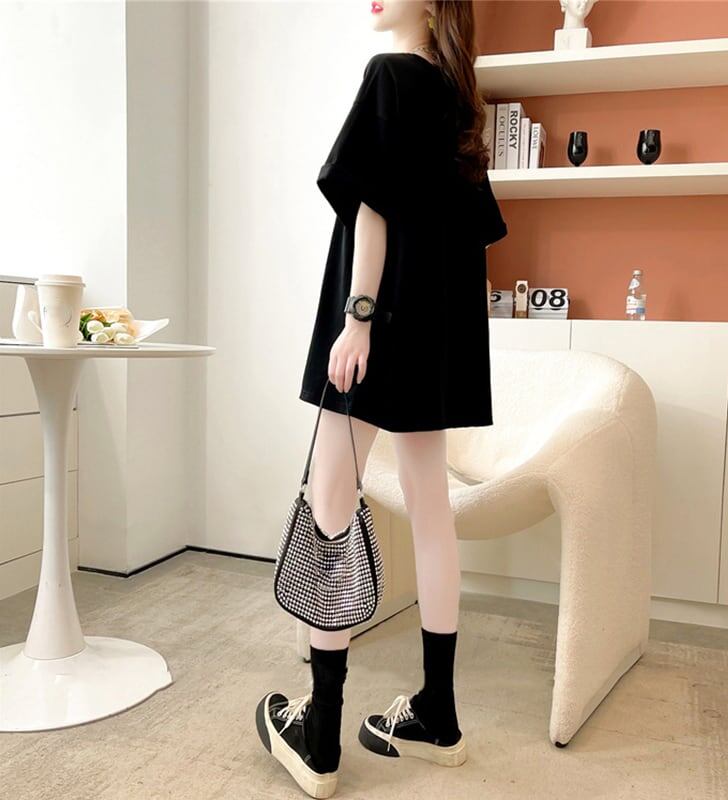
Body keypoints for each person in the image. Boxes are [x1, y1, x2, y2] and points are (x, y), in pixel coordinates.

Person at [256, 1, 507, 797]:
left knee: (332, 496)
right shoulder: (458, 99)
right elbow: (470, 235)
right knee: (431, 509)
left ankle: (320, 734)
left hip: (380, 321)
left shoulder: (391, 75)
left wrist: (358, 318)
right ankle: (437, 714)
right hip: (435, 331)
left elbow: (373, 206)